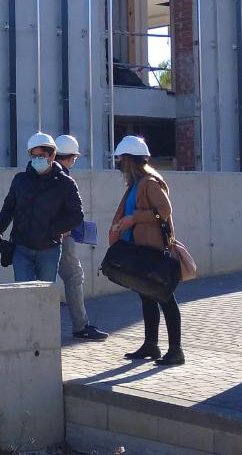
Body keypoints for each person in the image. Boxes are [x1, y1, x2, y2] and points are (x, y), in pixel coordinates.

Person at [110, 135, 183, 366]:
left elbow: (165, 210)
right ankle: (151, 344)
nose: (119, 163)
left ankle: (176, 350)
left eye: (121, 159)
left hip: (153, 250)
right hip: (139, 249)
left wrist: (134, 219)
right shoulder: (136, 184)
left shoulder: (149, 183)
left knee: (164, 297)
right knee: (146, 295)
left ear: (130, 160)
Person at [0, 132, 83, 283]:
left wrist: (53, 230)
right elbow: (8, 207)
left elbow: (76, 215)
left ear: (52, 156)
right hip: (21, 248)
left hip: (50, 249)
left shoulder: (65, 183)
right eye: (33, 156)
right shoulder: (20, 180)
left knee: (44, 298)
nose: (36, 160)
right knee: (24, 294)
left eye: (41, 156)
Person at [54, 135, 108, 341]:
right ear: (71, 158)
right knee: (74, 277)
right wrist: (65, 227)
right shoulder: (63, 177)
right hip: (59, 237)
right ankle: (80, 325)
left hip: (38, 237)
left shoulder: (39, 175)